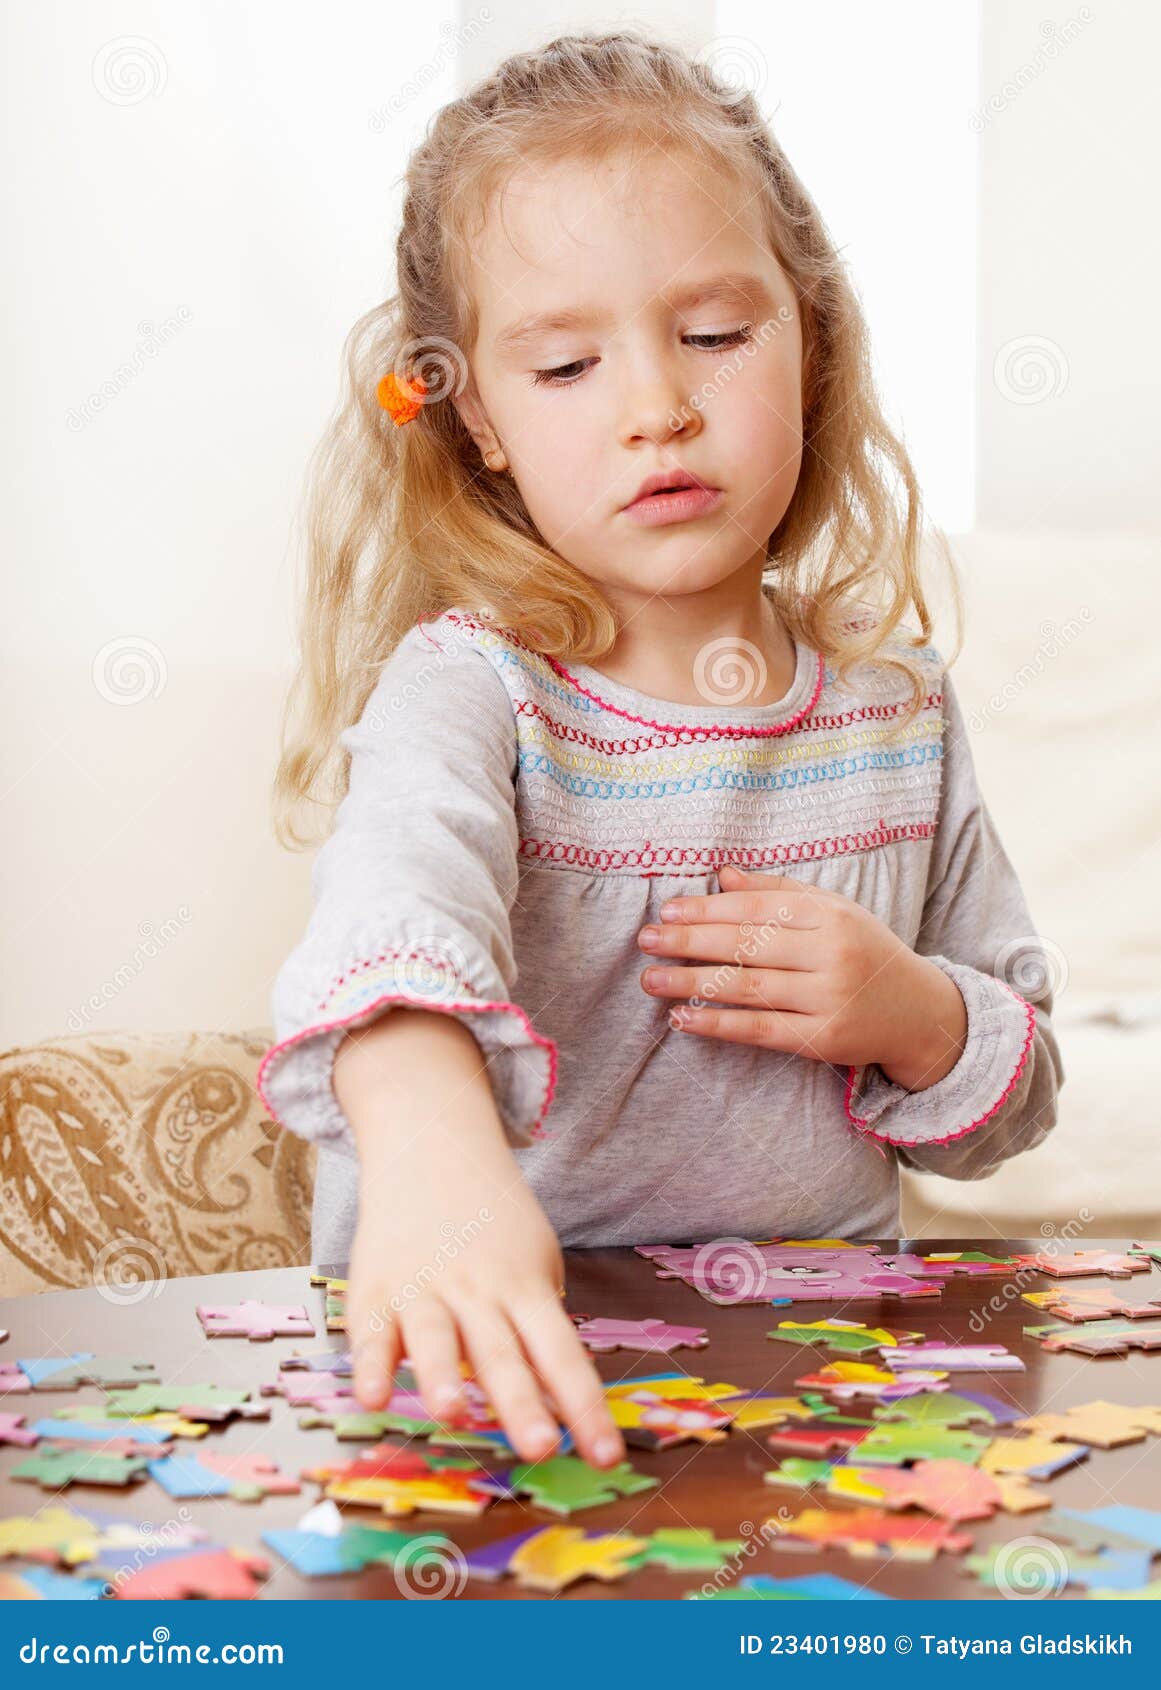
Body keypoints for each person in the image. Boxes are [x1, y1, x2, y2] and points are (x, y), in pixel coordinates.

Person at [259, 33, 1064, 1471]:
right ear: (479, 420)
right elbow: (388, 921)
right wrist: (430, 1143)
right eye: (565, 362)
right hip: (490, 1370)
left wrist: (912, 1013)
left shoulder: (894, 708)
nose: (655, 406)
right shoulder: (473, 691)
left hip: (819, 1404)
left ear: (808, 339)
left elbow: (1007, 1102)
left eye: (712, 334)